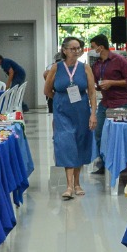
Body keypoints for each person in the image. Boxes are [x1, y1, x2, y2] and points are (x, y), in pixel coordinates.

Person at [45, 36, 96, 199]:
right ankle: (68, 186)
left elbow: (92, 92)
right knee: (66, 143)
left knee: (80, 144)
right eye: (73, 48)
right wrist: (61, 99)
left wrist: (93, 113)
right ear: (64, 50)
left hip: (81, 111)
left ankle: (77, 183)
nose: (76, 51)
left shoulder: (85, 68)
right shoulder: (56, 67)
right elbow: (47, 91)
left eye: (79, 48)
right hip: (62, 112)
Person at [88, 34, 127, 173]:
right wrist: (96, 86)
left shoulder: (119, 60)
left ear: (101, 47)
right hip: (105, 102)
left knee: (117, 134)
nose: (91, 50)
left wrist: (112, 83)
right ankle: (103, 162)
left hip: (121, 102)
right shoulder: (96, 65)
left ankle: (122, 164)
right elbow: (95, 82)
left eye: (93, 47)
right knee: (98, 132)